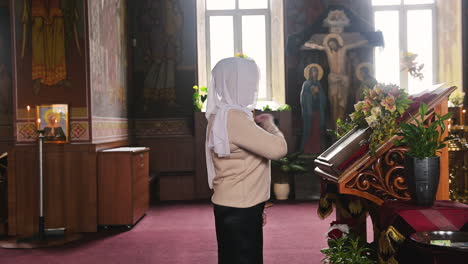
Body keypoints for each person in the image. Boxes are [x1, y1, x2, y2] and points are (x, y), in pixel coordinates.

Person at [205, 57, 288, 264]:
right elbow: (278, 149)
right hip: (240, 206)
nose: (252, 89)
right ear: (235, 84)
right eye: (249, 83)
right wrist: (270, 124)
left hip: (236, 202)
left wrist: (256, 206)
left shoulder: (221, 115)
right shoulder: (234, 117)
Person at [303, 33, 368, 123]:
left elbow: (352, 45)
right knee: (334, 102)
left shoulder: (343, 49)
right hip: (333, 78)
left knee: (343, 103)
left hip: (343, 79)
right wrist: (308, 44)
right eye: (330, 45)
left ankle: (341, 123)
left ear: (337, 43)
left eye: (333, 44)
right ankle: (335, 124)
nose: (332, 46)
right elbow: (318, 47)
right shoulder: (329, 51)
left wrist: (362, 42)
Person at [300, 64, 327, 154]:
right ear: (310, 73)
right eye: (313, 71)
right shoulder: (306, 84)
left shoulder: (319, 84)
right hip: (309, 112)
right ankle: (308, 150)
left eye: (316, 71)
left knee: (317, 130)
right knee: (310, 130)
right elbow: (303, 98)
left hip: (318, 111)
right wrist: (311, 93)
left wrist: (317, 93)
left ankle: (318, 150)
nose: (315, 73)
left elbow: (323, 98)